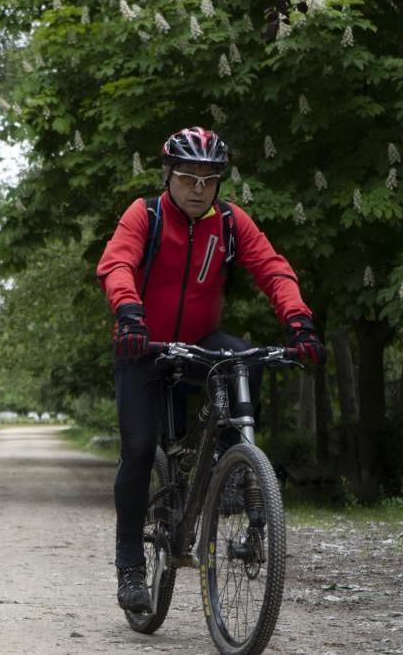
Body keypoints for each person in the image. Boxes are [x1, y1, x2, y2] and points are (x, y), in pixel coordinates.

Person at [96, 127, 325, 613]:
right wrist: (129, 313)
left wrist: (300, 322)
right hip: (143, 344)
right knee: (139, 449)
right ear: (169, 177)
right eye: (187, 177)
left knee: (245, 357)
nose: (198, 188)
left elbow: (273, 268)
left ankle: (232, 466)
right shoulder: (147, 214)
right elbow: (116, 263)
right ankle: (131, 564)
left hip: (199, 341)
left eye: (209, 179)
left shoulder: (231, 222)